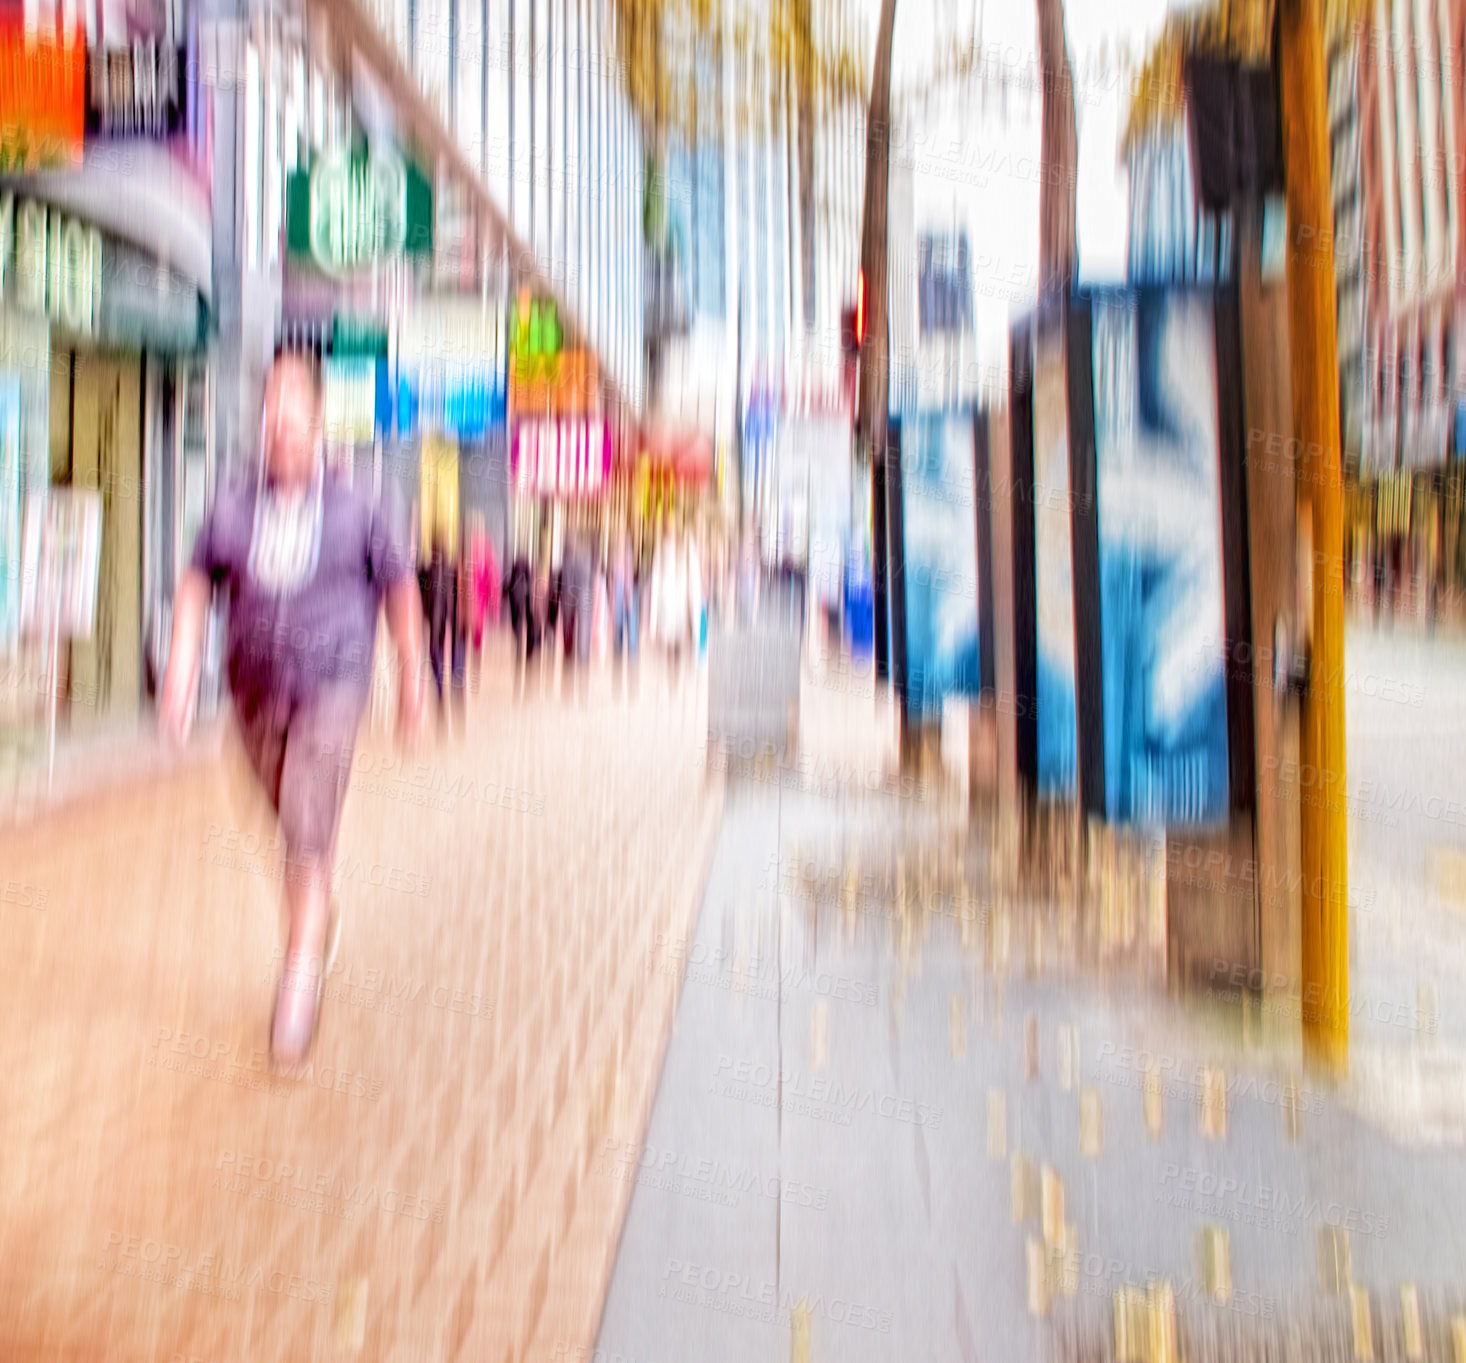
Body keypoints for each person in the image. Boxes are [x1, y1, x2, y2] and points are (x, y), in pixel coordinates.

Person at [160, 349, 424, 1066]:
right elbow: (195, 584)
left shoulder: (362, 504)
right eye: (271, 417)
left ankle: (299, 977)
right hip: (253, 694)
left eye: (292, 416)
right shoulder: (230, 505)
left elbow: (400, 589)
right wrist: (182, 670)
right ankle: (317, 912)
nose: (280, 429)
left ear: (318, 425)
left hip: (334, 684)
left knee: (307, 827)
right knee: (286, 821)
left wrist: (413, 677)